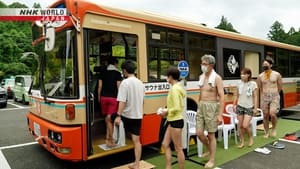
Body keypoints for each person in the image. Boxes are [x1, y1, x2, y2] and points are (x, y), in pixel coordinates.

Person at [114, 60, 144, 169]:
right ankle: (137, 163)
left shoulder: (125, 83)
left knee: (112, 124)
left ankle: (113, 144)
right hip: (137, 115)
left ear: (125, 71)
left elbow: (122, 101)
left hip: (127, 116)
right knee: (137, 141)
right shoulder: (140, 83)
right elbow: (142, 101)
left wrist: (118, 115)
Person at [196, 54, 224, 169]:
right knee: (199, 133)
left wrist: (220, 115)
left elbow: (222, 96)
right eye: (202, 63)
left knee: (211, 134)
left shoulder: (217, 78)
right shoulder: (201, 77)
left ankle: (212, 159)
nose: (202, 66)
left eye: (204, 64)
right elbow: (201, 92)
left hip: (212, 107)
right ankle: (208, 148)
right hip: (201, 105)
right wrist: (199, 105)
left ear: (211, 65)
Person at [159, 67, 186, 169]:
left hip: (176, 121)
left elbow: (177, 107)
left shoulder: (174, 89)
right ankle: (168, 166)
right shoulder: (177, 88)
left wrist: (166, 111)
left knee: (178, 148)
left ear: (170, 77)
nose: (167, 78)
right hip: (172, 120)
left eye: (167, 76)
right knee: (165, 144)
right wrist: (166, 111)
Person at [98, 57, 122, 147]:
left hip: (104, 98)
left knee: (107, 119)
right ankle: (111, 140)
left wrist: (99, 97)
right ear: (115, 64)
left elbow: (100, 86)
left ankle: (107, 137)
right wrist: (121, 99)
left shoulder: (103, 72)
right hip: (113, 99)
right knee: (109, 119)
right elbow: (119, 87)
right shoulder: (117, 73)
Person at [257, 57, 282, 138]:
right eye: (263, 64)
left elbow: (280, 87)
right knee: (265, 115)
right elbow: (260, 88)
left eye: (266, 64)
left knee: (272, 113)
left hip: (274, 96)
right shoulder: (260, 76)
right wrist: (261, 98)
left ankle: (274, 129)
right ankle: (267, 132)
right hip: (264, 97)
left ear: (271, 65)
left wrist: (275, 94)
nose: (264, 66)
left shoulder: (277, 74)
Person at [233, 68, 258, 148]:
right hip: (240, 106)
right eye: (241, 74)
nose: (242, 75)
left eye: (244, 74)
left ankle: (250, 137)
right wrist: (234, 104)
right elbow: (236, 95)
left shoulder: (253, 84)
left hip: (249, 107)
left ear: (248, 75)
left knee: (245, 125)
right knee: (240, 126)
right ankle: (242, 142)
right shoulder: (238, 83)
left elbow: (255, 97)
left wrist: (255, 108)